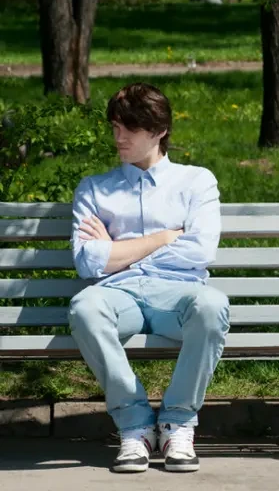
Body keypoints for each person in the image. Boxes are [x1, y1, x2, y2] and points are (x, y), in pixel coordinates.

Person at [68, 83, 230, 473]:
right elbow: (88, 262)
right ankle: (135, 425)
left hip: (177, 294)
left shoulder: (196, 182)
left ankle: (177, 422)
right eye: (114, 127)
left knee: (212, 306)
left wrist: (119, 251)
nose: (118, 137)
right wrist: (162, 238)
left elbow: (200, 250)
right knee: (84, 307)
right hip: (117, 294)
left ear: (159, 131)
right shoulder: (94, 189)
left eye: (130, 128)